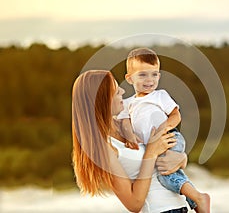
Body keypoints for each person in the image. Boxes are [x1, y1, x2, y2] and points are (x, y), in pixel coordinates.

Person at [72, 70, 190, 212]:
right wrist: (151, 153)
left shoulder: (129, 124)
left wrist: (182, 158)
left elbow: (165, 154)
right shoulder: (105, 147)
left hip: (180, 207)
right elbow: (134, 204)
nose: (122, 91)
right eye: (115, 91)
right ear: (101, 101)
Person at [117, 48, 210, 213]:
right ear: (130, 79)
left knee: (164, 173)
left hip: (169, 137)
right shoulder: (127, 103)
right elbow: (124, 123)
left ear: (159, 76)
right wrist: (131, 137)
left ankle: (198, 197)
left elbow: (176, 115)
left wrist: (163, 128)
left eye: (154, 74)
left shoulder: (160, 95)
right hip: (154, 144)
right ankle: (195, 200)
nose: (149, 80)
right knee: (170, 170)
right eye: (143, 75)